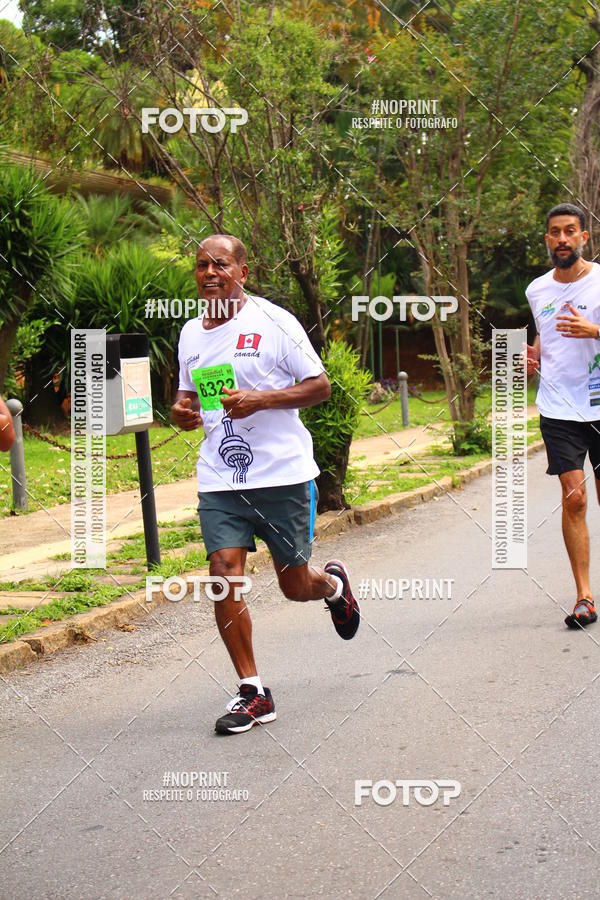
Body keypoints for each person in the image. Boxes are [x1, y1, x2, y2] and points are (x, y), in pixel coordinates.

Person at [172, 234, 360, 734]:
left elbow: (319, 386)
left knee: (294, 586)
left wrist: (261, 399)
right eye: (201, 265)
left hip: (281, 476)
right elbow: (190, 396)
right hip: (221, 476)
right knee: (222, 573)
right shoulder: (191, 332)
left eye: (221, 264)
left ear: (242, 271)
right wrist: (183, 411)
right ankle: (253, 690)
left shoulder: (274, 322)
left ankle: (333, 586)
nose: (210, 272)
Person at [525, 203, 600, 629]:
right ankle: (584, 597)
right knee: (575, 496)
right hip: (558, 406)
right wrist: (532, 356)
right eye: (555, 232)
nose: (563, 239)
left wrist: (596, 332)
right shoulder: (537, 291)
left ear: (583, 237)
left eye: (570, 231)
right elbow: (544, 335)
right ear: (548, 239)